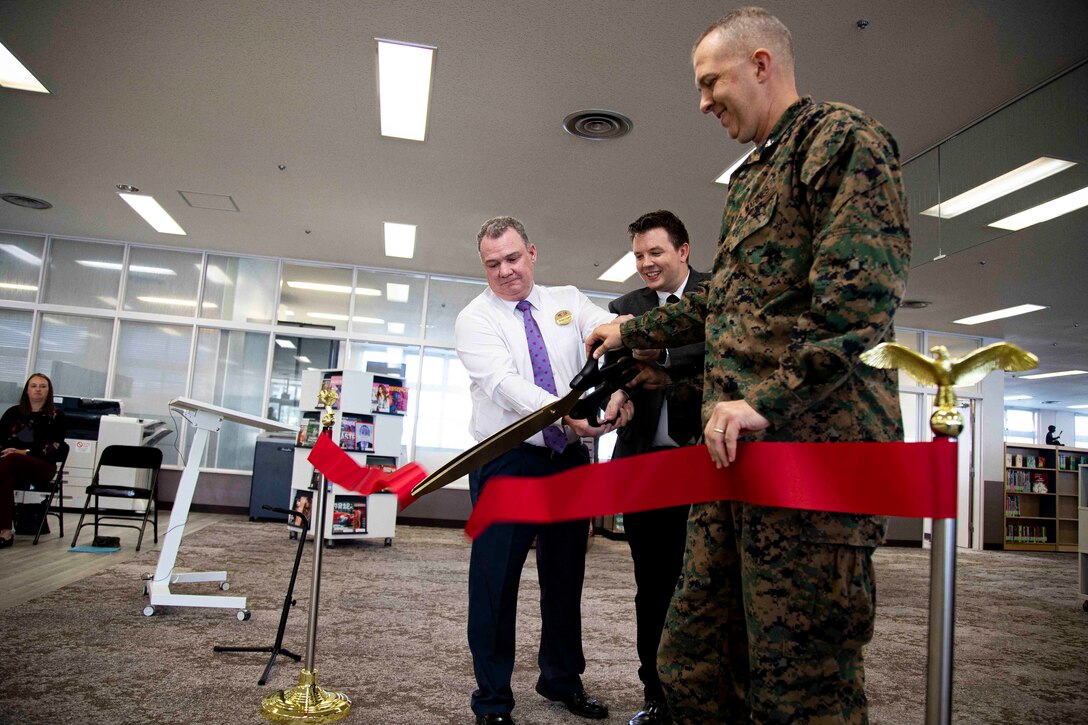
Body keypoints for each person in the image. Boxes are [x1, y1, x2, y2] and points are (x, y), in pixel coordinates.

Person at [586, 8, 911, 723]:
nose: (702, 101)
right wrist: (627, 329)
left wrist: (764, 398)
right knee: (695, 659)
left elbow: (859, 304)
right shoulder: (751, 179)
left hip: (811, 467)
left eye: (711, 82)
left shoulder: (843, 142)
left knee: (803, 685)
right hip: (734, 466)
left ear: (760, 65)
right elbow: (722, 309)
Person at [457, 216, 631, 725]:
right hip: (507, 459)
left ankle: (560, 679)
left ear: (531, 252)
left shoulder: (569, 301)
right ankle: (492, 700)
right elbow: (506, 385)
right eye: (493, 264)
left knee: (564, 575)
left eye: (512, 258)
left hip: (568, 460)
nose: (505, 271)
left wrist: (617, 386)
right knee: (495, 581)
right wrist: (563, 411)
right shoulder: (476, 319)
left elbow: (607, 334)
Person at [605, 210, 709, 725]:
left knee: (709, 584)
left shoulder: (720, 294)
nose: (646, 263)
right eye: (639, 255)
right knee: (653, 585)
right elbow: (617, 368)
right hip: (645, 469)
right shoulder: (625, 308)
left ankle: (709, 695)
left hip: (710, 470)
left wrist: (662, 358)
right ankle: (658, 694)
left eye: (656, 253)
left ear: (683, 251)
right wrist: (621, 390)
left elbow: (717, 356)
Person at [1, 373, 67, 548]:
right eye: (34, 386)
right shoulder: (13, 413)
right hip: (8, 465)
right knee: (4, 475)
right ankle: (5, 532)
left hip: (42, 466)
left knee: (11, 459)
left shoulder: (56, 416)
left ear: (49, 391)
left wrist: (22, 452)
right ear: (27, 390)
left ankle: (5, 531)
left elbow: (53, 447)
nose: (38, 389)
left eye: (43, 386)